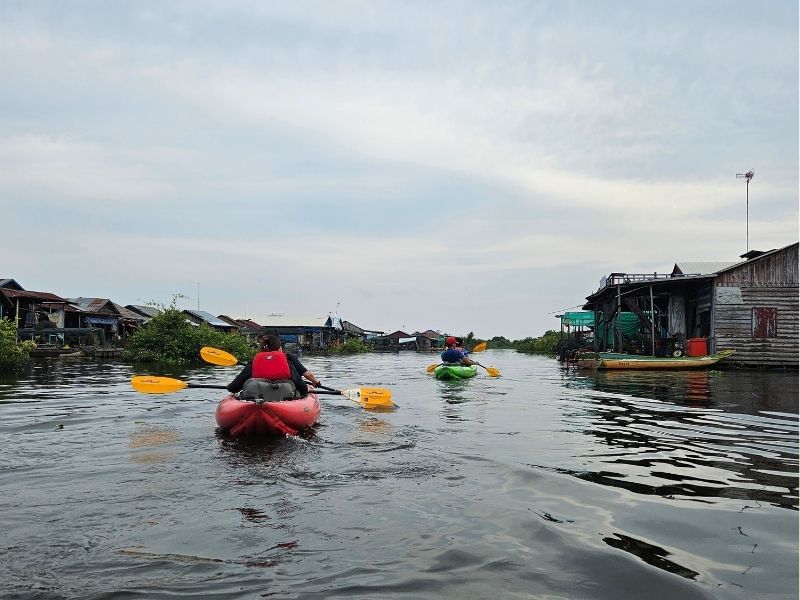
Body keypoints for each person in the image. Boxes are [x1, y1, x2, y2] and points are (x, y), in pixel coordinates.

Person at [227, 334, 321, 398]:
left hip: (257, 399)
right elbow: (303, 378)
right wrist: (313, 383)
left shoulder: (255, 360)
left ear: (264, 348)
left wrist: (229, 386)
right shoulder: (288, 358)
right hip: (285, 397)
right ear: (280, 348)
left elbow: (234, 387)